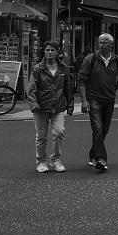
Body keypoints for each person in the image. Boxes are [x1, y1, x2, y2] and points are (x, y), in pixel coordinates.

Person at [76, 33, 118, 173]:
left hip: (109, 99)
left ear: (111, 45)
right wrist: (84, 101)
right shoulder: (90, 59)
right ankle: (101, 159)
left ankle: (93, 153)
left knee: (104, 129)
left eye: (104, 43)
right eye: (99, 42)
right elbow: (81, 80)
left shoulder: (117, 60)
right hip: (94, 98)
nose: (101, 45)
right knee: (98, 127)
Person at [28, 40, 73, 173]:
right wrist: (33, 104)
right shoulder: (38, 68)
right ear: (44, 51)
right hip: (41, 106)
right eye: (47, 50)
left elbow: (68, 88)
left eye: (52, 50)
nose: (49, 52)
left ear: (57, 52)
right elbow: (31, 88)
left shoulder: (63, 68)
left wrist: (70, 105)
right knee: (41, 136)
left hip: (58, 106)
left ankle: (55, 160)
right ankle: (41, 161)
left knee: (59, 132)